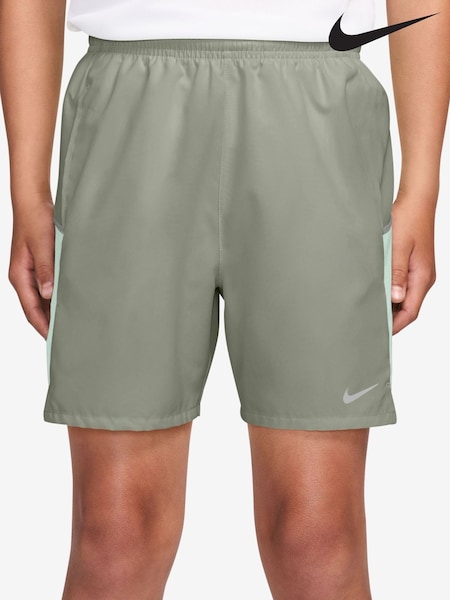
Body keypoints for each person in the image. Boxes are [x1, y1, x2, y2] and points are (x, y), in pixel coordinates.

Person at [0, 0, 448, 598]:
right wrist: (26, 189)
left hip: (317, 99)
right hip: (128, 105)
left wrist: (423, 186)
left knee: (317, 537)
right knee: (115, 536)